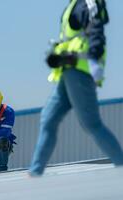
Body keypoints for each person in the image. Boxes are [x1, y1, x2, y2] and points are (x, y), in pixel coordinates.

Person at [29, 0, 123, 176]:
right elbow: (73, 38)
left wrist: (94, 60)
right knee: (48, 118)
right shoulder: (75, 4)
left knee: (92, 124)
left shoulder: (89, 3)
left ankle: (121, 165)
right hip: (67, 70)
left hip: (79, 69)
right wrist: (57, 54)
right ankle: (35, 172)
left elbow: (96, 30)